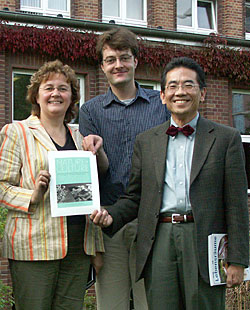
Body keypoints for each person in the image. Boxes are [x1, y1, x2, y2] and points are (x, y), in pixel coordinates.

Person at [91, 57, 249, 310]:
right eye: (173, 86)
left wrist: (238, 259)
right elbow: (135, 197)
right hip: (159, 238)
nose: (181, 92)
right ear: (163, 96)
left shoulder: (225, 138)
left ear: (203, 93)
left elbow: (237, 203)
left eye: (189, 85)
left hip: (205, 239)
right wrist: (111, 216)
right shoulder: (147, 141)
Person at [0, 60, 108, 310]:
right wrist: (33, 195)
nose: (56, 93)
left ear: (72, 97)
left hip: (77, 246)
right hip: (34, 245)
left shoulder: (79, 137)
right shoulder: (17, 132)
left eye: (63, 88)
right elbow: (2, 185)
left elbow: (91, 190)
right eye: (48, 88)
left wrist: (96, 247)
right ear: (36, 95)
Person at [79, 26, 170, 310]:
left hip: (153, 220)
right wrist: (97, 152)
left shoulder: (161, 104)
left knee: (152, 302)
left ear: (135, 61)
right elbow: (96, 172)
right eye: (110, 59)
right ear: (102, 66)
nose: (118, 64)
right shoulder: (90, 111)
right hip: (109, 220)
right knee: (112, 303)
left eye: (124, 57)